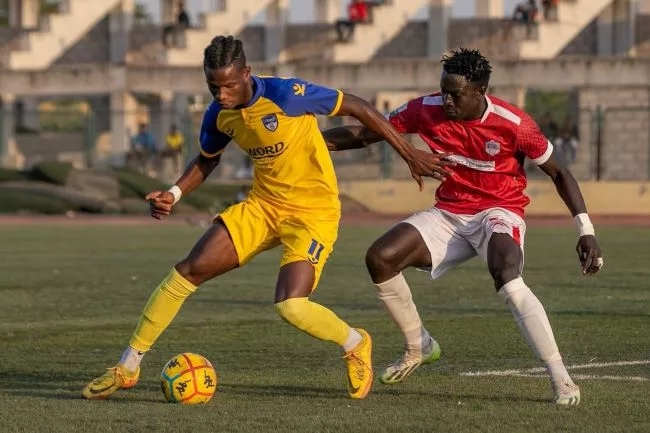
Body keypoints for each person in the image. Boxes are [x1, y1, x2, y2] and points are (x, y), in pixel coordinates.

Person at [81, 35, 450, 401]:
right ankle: (127, 367)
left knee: (291, 305)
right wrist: (174, 193)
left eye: (228, 84)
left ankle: (354, 342)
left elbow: (358, 107)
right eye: (213, 86)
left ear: (246, 73)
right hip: (263, 206)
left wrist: (410, 154)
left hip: (312, 213)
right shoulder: (218, 114)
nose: (221, 94)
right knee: (185, 272)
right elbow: (208, 158)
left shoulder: (287, 94)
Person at [322, 48, 603, 406]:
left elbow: (560, 172)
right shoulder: (424, 109)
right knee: (380, 257)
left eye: (456, 94)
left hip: (499, 211)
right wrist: (311, 142)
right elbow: (365, 133)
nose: (447, 101)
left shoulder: (515, 123)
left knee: (509, 279)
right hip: (450, 213)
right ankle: (419, 346)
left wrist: (586, 229)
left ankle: (561, 378)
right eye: (444, 91)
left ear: (481, 90)